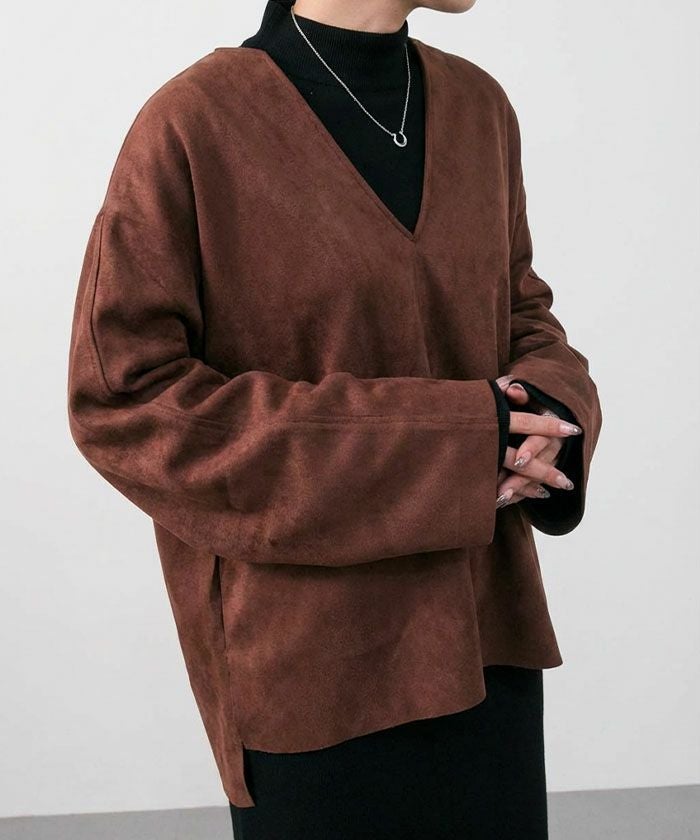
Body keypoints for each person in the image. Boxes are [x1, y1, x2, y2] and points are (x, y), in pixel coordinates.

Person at [67, 1, 603, 838]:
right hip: (312, 663)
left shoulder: (478, 107)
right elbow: (126, 398)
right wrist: (463, 441)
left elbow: (523, 314)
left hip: (484, 633)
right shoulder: (195, 123)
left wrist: (554, 408)